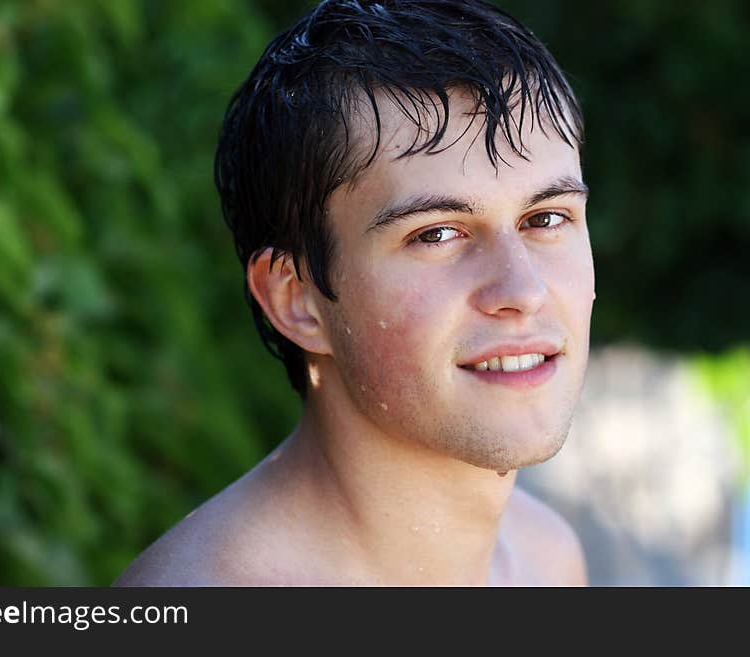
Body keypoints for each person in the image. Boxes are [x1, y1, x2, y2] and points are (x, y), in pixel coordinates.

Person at [117, 0, 594, 586]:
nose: (523, 290)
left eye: (546, 218)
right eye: (437, 233)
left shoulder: (545, 561)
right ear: (298, 299)